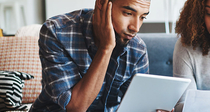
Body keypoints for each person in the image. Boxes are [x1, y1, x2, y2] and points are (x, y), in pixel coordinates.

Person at [30, 0, 172, 111]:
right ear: (102, 3)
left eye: (142, 17)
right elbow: (75, 107)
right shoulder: (56, 32)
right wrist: (106, 48)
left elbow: (138, 105)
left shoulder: (137, 49)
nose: (135, 27)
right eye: (128, 13)